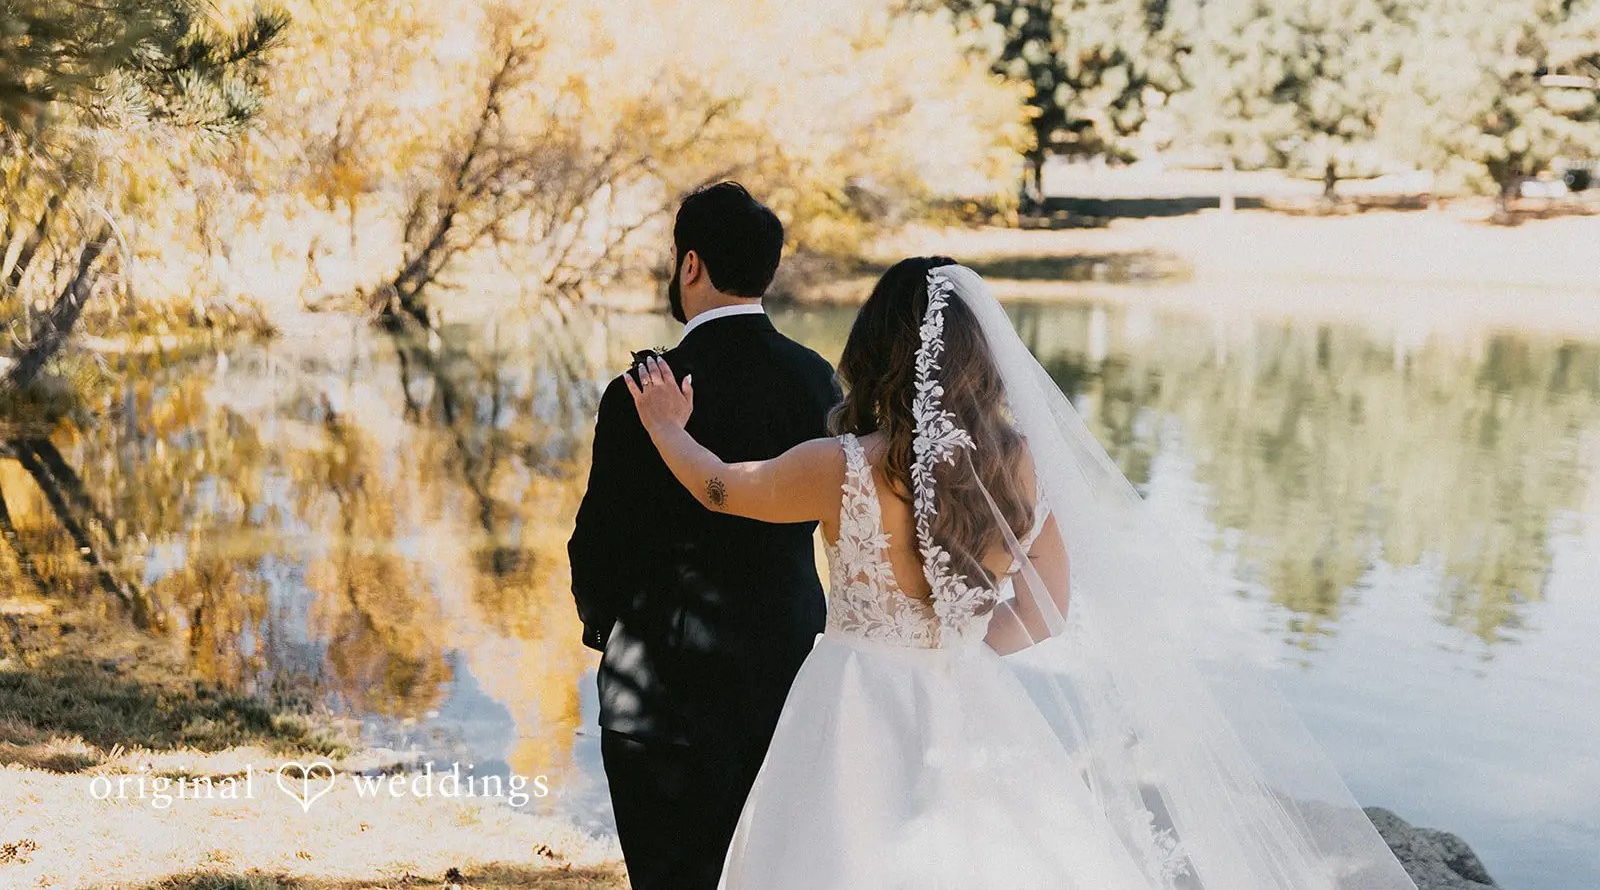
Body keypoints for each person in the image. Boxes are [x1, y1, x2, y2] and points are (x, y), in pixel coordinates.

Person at [623, 256, 1421, 890]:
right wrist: (954, 653)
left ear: (877, 351)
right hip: (969, 693)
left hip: (852, 696)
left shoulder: (842, 466)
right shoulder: (1029, 470)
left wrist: (668, 428)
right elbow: (1045, 612)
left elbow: (722, 488)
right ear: (982, 356)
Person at [567, 182, 839, 890]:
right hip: (784, 679)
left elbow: (598, 542)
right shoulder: (818, 382)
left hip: (659, 690)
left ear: (690, 264)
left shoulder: (641, 391)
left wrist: (609, 632)